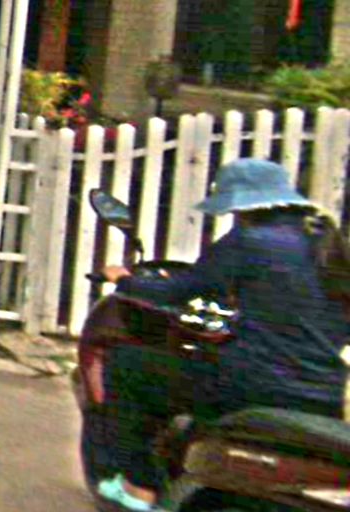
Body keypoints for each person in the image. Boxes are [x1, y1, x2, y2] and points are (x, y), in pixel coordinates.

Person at [95, 158, 350, 511]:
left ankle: (138, 486)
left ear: (243, 207)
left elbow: (181, 290)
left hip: (253, 383)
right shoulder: (326, 242)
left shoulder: (250, 240)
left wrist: (123, 279)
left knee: (128, 365)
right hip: (325, 390)